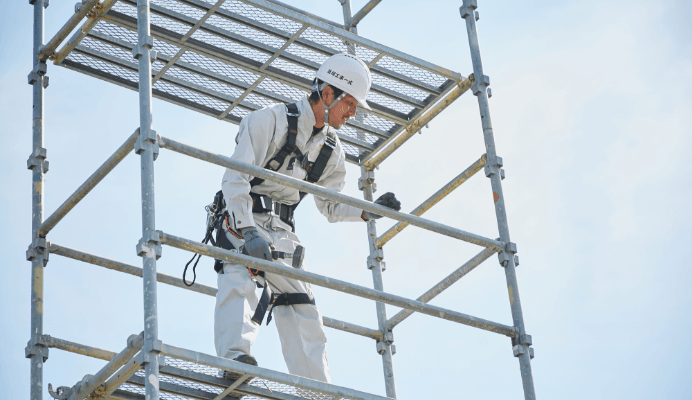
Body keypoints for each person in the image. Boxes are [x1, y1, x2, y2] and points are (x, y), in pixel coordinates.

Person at [214, 53, 401, 383]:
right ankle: (235, 362)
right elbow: (235, 178)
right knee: (243, 278)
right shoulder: (267, 121)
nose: (353, 113)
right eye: (350, 103)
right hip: (242, 219)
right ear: (328, 94)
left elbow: (330, 205)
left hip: (283, 233)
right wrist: (246, 230)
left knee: (303, 304)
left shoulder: (331, 150)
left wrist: (367, 210)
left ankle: (316, 389)